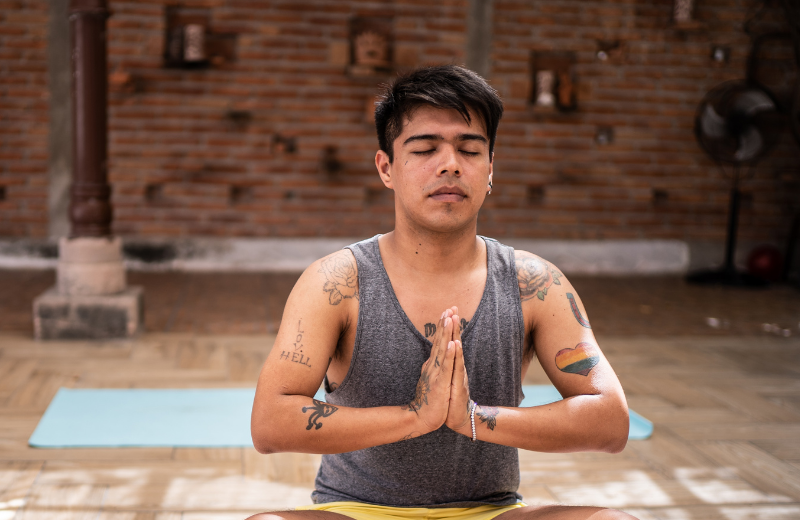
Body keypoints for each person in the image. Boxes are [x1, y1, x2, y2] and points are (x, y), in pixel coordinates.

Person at [249, 65, 634, 520]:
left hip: (489, 512)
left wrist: (472, 417)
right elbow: (270, 424)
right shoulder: (337, 282)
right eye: (425, 148)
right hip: (355, 511)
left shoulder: (534, 284)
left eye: (470, 150)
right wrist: (415, 417)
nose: (450, 164)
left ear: (490, 170)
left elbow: (611, 421)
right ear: (386, 168)